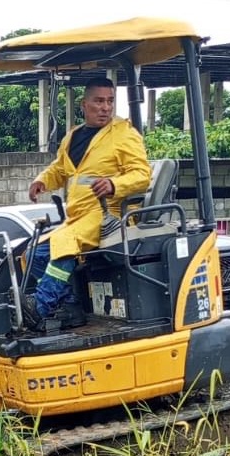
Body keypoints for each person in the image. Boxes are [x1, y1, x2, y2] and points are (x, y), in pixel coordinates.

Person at [26, 80, 151, 322]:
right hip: (78, 217)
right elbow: (60, 169)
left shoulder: (124, 134)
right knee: (35, 253)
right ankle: (70, 304)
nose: (106, 107)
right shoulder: (73, 136)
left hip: (108, 214)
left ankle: (39, 308)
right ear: (84, 105)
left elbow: (142, 175)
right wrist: (42, 180)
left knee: (65, 244)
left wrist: (114, 184)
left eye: (110, 101)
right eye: (99, 101)